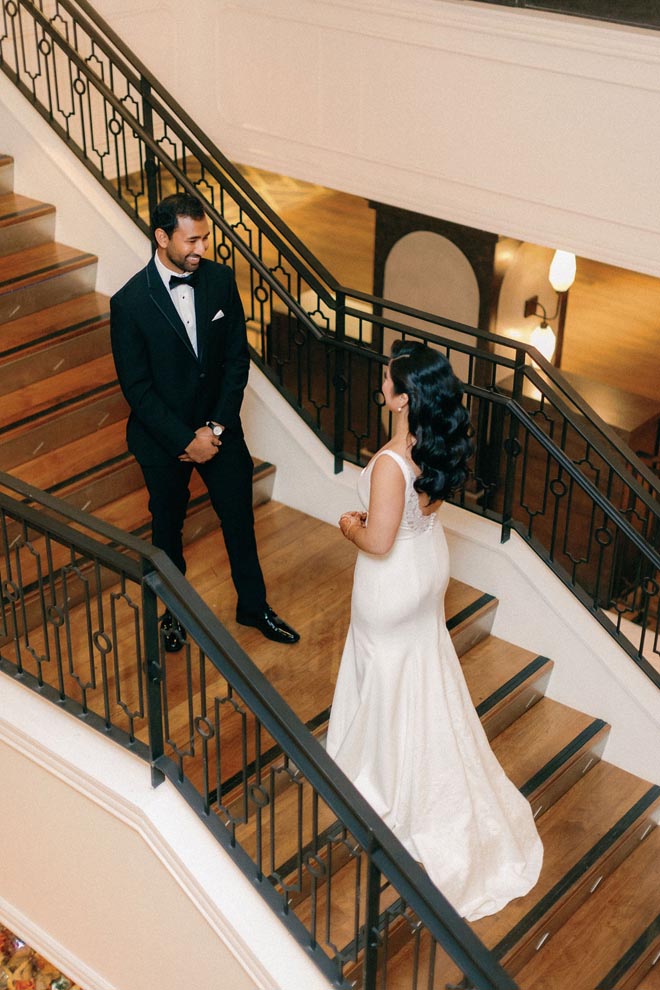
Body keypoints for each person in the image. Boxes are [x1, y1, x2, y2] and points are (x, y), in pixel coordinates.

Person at [326, 340, 542, 921]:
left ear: (402, 399)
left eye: (387, 383)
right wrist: (382, 522)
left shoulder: (393, 462)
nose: (380, 388)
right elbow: (418, 517)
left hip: (390, 583)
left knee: (386, 663)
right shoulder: (436, 444)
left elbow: (378, 540)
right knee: (420, 664)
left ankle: (382, 772)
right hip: (427, 572)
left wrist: (351, 524)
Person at [110, 193, 299, 649]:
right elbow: (137, 388)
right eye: (191, 239)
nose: (201, 248)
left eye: (205, 237)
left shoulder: (219, 280)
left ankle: (254, 607)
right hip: (163, 440)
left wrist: (214, 429)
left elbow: (237, 359)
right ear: (162, 237)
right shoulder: (130, 302)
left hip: (219, 431)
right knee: (167, 531)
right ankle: (173, 616)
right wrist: (184, 439)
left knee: (239, 522)